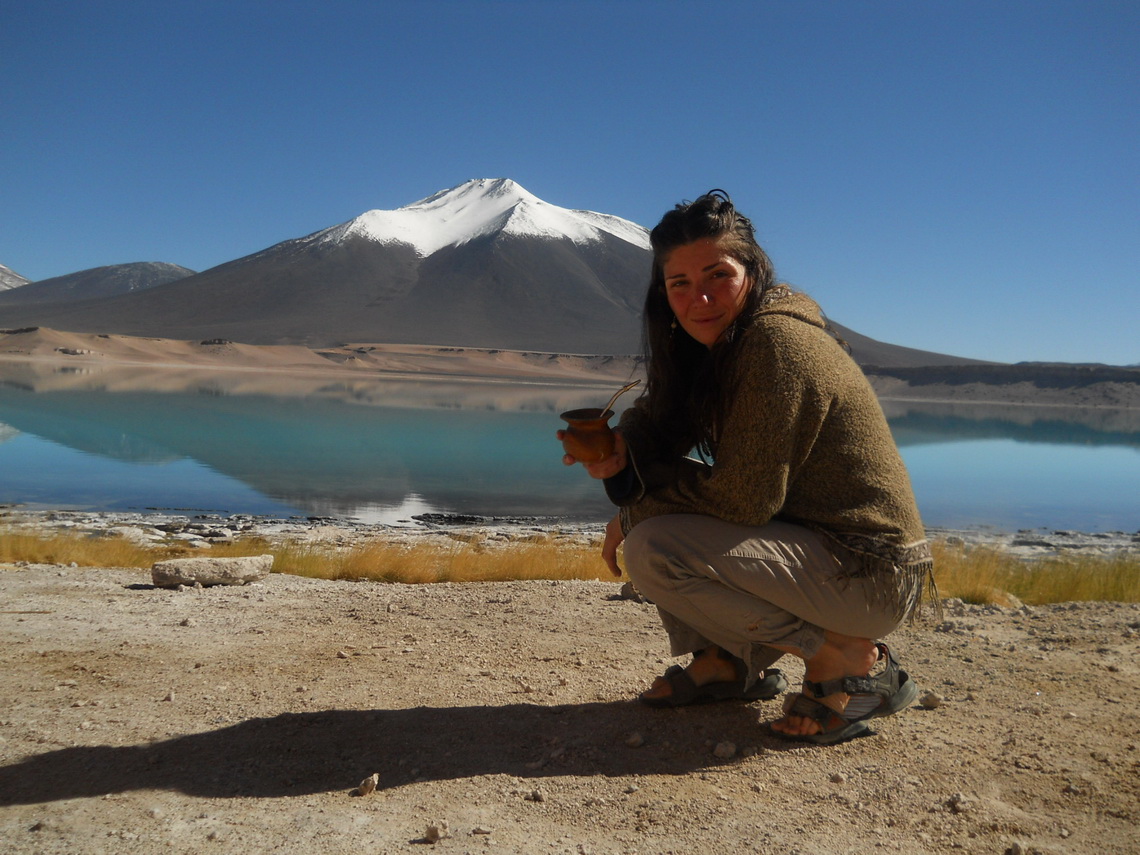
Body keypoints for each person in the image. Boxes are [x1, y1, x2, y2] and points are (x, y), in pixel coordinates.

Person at [558, 190, 933, 744]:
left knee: (653, 547)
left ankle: (850, 660)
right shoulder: (714, 346)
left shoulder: (775, 345)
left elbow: (744, 501)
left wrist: (638, 506)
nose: (699, 297)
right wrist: (623, 451)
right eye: (678, 283)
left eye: (717, 275)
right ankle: (727, 662)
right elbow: (655, 421)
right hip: (819, 555)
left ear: (752, 272)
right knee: (652, 527)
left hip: (869, 573)